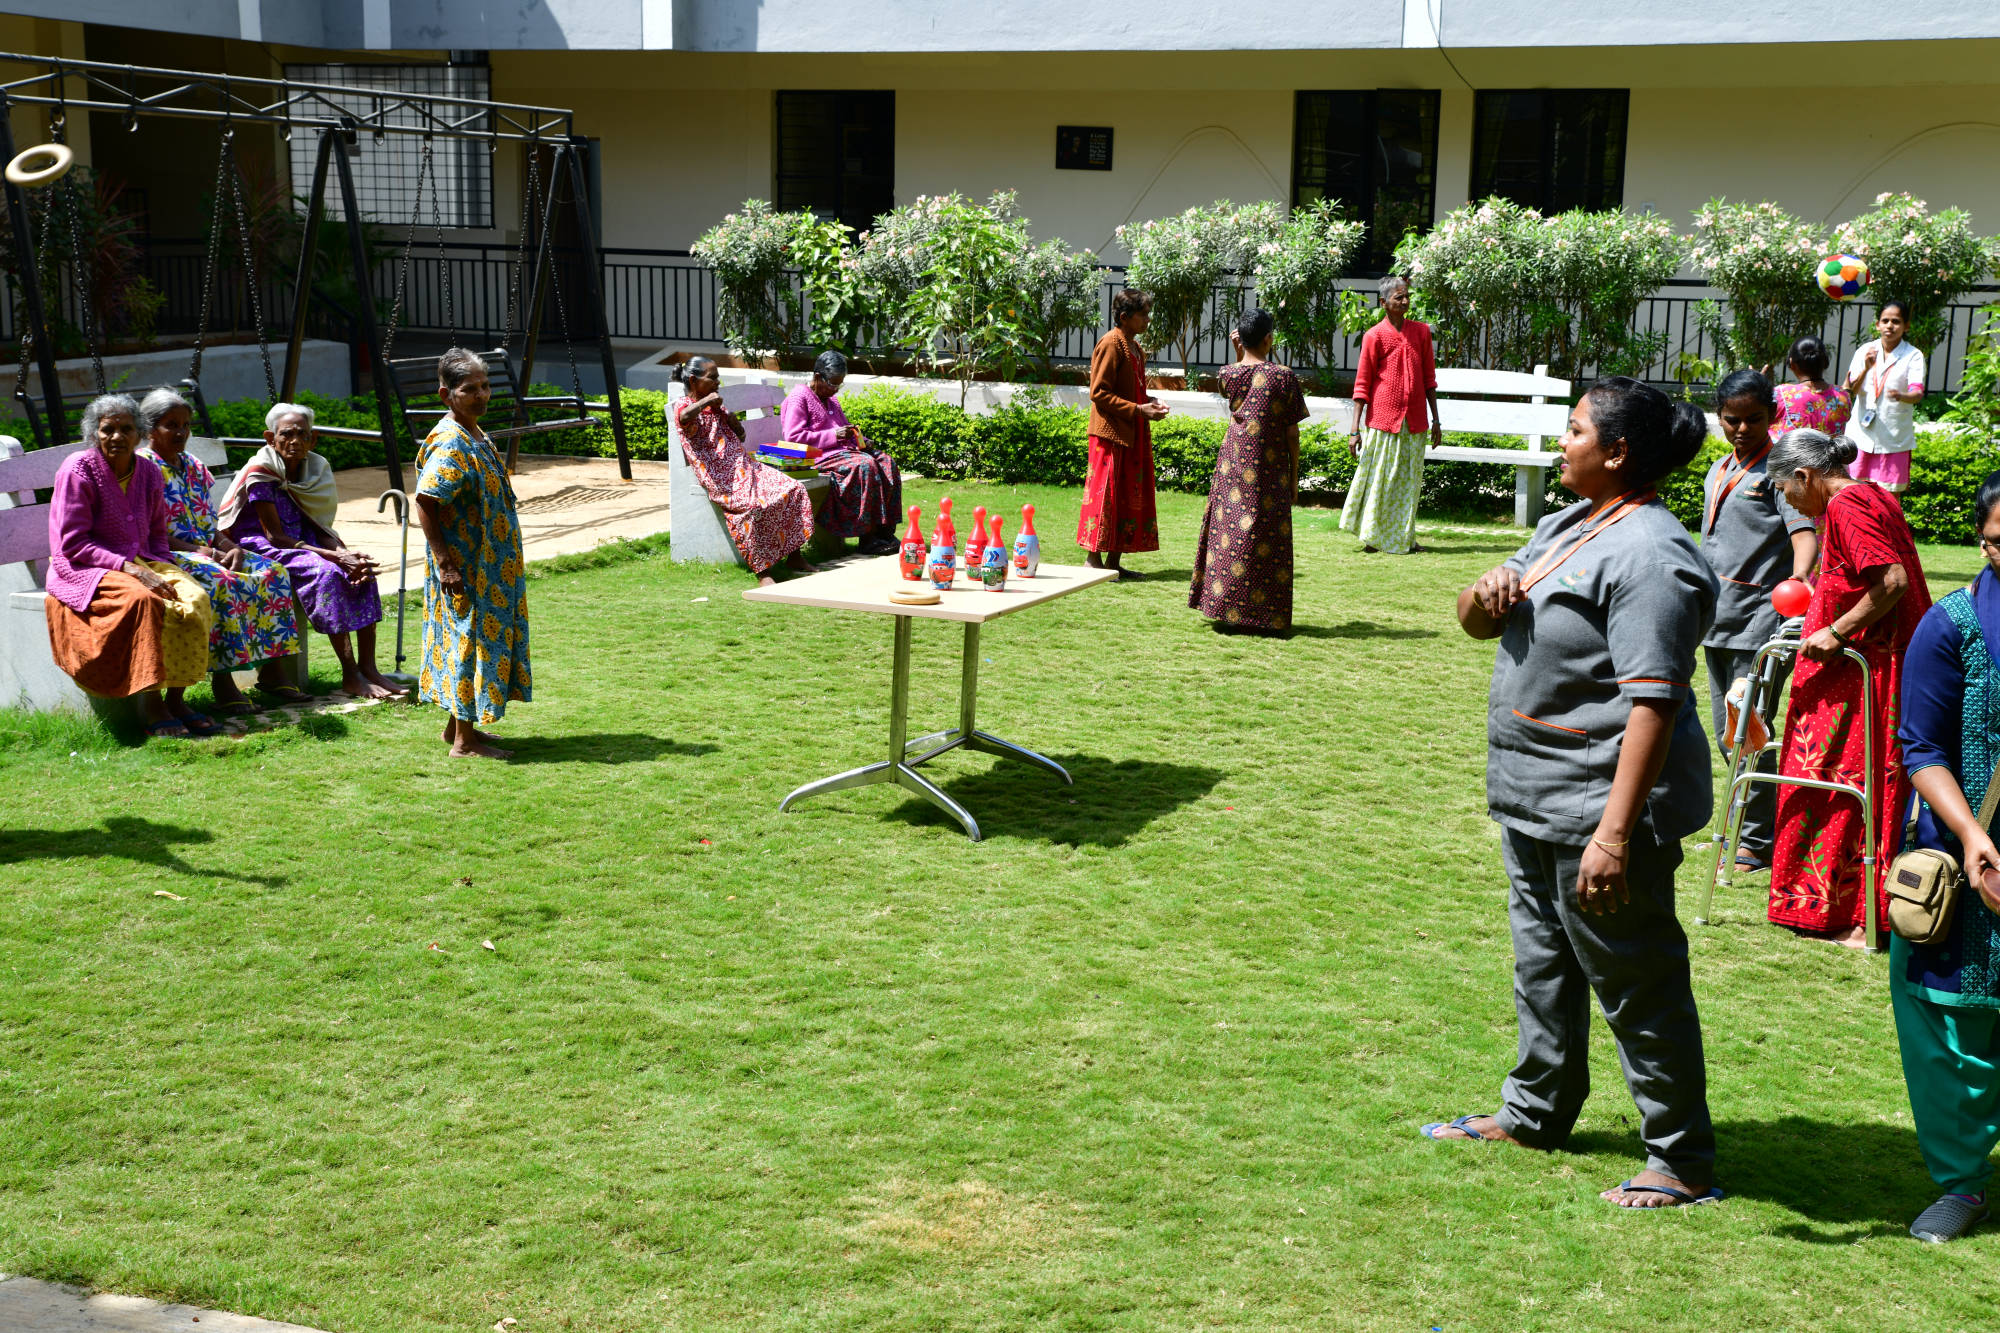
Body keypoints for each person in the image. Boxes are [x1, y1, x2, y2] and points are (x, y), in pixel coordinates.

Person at [1426, 377, 1723, 1211]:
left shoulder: (1652, 557)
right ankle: (1535, 1111)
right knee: (1544, 963)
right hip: (1531, 791)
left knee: (1636, 978)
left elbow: (1653, 701)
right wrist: (1480, 597)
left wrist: (1615, 836)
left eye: (1576, 430)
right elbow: (1478, 617)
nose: (1564, 442)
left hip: (1598, 804)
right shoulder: (1571, 522)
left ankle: (1681, 1157)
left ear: (1618, 453)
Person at [1768, 427, 1931, 945]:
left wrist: (1836, 631)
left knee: (1848, 783)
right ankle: (1848, 912)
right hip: (1876, 662)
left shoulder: (1847, 505)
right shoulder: (1869, 495)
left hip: (1872, 671)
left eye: (1787, 491)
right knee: (1852, 782)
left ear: (1804, 475)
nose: (1791, 503)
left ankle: (1860, 919)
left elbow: (1893, 581)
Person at [1892, 468, 2000, 1242]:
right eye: (1997, 542)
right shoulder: (1950, 624)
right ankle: (1961, 1182)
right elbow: (1920, 744)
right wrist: (1973, 834)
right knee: (1951, 1025)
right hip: (1968, 852)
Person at [43, 392, 216, 738]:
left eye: (125, 429)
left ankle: (177, 698)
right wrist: (134, 571)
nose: (117, 437)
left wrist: (167, 570)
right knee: (144, 602)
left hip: (143, 559)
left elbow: (156, 534)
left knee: (194, 598)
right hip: (85, 565)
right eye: (107, 429)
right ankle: (152, 701)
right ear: (94, 434)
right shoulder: (79, 469)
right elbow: (73, 543)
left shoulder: (149, 472)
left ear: (140, 434)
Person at [1700, 370, 1818, 872]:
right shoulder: (1720, 468)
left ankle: (1756, 841)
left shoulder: (1779, 473)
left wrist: (1798, 585)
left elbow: (1805, 533)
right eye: (1732, 420)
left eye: (1753, 418)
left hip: (1760, 624)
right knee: (1724, 731)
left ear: (1773, 415)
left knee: (1749, 727)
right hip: (1714, 621)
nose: (1743, 428)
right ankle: (1739, 826)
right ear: (1720, 419)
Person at [138, 386, 307, 719]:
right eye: (170, 425)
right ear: (149, 429)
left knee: (272, 572)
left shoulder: (194, 466)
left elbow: (208, 523)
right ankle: (224, 681)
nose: (181, 432)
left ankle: (271, 671)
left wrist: (228, 546)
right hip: (166, 555)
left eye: (185, 424)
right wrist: (202, 551)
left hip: (205, 549)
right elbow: (148, 534)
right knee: (221, 582)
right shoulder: (145, 469)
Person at [219, 403, 405, 700]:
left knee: (361, 570)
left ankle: (369, 669)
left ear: (313, 439)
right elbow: (275, 536)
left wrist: (344, 552)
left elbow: (318, 526)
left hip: (303, 542)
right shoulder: (261, 472)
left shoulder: (315, 470)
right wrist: (332, 556)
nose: (294, 441)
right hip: (263, 546)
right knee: (328, 573)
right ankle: (350, 674)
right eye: (286, 434)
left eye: (302, 434)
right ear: (270, 438)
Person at [413, 348, 532, 761]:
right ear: (447, 395)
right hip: (467, 568)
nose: (482, 395)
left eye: (485, 387)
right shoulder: (451, 443)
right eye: (470, 390)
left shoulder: (475, 434)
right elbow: (426, 501)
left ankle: (458, 728)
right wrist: (446, 564)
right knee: (469, 644)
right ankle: (465, 744)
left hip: (490, 565)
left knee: (474, 640)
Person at [1189, 306, 1308, 634]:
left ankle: (1226, 608)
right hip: (1268, 466)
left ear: (1241, 338)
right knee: (1266, 532)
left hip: (1234, 462)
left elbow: (1242, 380)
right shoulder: (1283, 376)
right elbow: (1292, 433)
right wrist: (1295, 476)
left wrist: (1238, 352)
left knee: (1231, 531)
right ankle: (1265, 615)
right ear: (1269, 339)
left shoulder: (1227, 373)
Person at [672, 356, 816, 586]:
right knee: (751, 507)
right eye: (712, 378)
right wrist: (706, 401)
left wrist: (731, 419)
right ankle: (762, 570)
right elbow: (683, 418)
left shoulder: (716, 406)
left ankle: (795, 557)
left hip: (746, 468)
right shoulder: (683, 405)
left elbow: (740, 436)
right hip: (720, 477)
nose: (717, 383)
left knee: (794, 489)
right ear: (693, 379)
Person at [1341, 274, 1442, 555]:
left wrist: (1436, 420)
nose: (1406, 301)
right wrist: (1354, 429)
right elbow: (1362, 385)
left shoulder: (1421, 332)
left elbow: (1429, 380)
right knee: (1379, 481)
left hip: (1416, 421)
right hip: (1384, 421)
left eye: (1407, 296)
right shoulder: (1374, 336)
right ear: (1384, 303)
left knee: (1410, 483)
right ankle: (1372, 537)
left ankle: (1406, 538)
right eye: (1399, 297)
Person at [1078, 287, 1167, 579]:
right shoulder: (1111, 344)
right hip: (1110, 433)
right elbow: (1098, 393)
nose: (1148, 320)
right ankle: (1093, 559)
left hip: (1131, 430)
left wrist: (1149, 402)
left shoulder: (1134, 347)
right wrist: (1140, 410)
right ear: (1125, 317)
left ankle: (1113, 562)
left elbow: (1131, 390)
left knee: (1127, 495)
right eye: (1143, 315)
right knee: (1105, 496)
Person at [780, 350, 902, 555]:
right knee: (865, 466)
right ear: (818, 377)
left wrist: (860, 440)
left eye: (839, 385)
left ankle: (884, 533)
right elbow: (793, 437)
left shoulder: (831, 400)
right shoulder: (799, 397)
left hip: (842, 453)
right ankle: (868, 537)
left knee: (886, 462)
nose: (835, 390)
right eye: (832, 384)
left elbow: (844, 429)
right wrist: (834, 435)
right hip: (816, 456)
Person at [1842, 299, 1927, 494]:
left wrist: (1901, 395)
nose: (1890, 326)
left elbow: (1917, 394)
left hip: (1893, 438)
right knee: (1854, 492)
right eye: (1885, 320)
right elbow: (1849, 391)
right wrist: (1866, 367)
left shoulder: (1913, 355)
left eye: (1896, 321)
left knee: (1890, 497)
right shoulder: (1864, 351)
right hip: (1860, 436)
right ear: (1878, 324)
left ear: (1906, 326)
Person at [1772, 335, 1853, 440]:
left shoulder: (1782, 394)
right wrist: (1845, 391)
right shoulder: (1843, 397)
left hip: (1790, 456)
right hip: (1829, 456)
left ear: (1792, 364)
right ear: (1825, 362)